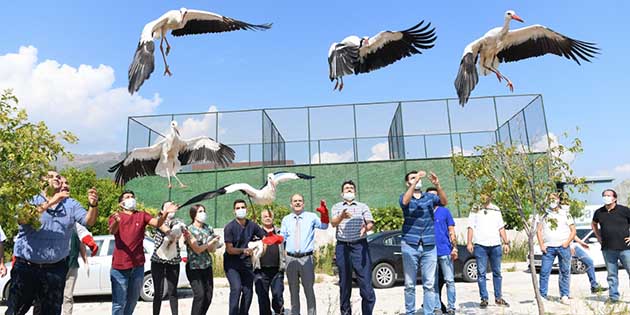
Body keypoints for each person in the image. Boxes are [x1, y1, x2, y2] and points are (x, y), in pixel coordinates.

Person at [7, 171, 99, 315]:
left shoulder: (71, 204)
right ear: (41, 182)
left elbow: (89, 221)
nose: (57, 178)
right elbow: (23, 219)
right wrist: (52, 201)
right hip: (26, 267)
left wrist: (93, 206)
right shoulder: (29, 200)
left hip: (55, 270)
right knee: (15, 311)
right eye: (51, 176)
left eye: (58, 176)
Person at [108, 190, 178, 315]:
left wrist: (165, 212)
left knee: (132, 300)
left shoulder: (142, 215)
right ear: (121, 203)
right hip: (120, 267)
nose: (131, 199)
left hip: (138, 266)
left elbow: (157, 223)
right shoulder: (116, 216)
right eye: (127, 197)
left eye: (132, 197)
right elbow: (112, 231)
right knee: (119, 303)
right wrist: (117, 222)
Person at [399, 170, 447, 315]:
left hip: (429, 245)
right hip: (410, 245)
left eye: (418, 177)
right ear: (408, 183)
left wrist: (437, 185)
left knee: (429, 284)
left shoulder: (429, 198)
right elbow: (404, 202)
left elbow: (444, 202)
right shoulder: (405, 196)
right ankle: (410, 312)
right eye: (412, 178)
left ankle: (429, 312)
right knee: (409, 284)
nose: (417, 179)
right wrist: (414, 182)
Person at [330, 180, 375, 315]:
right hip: (343, 247)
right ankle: (345, 312)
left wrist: (366, 228)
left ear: (354, 192)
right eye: (346, 188)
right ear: (342, 193)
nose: (349, 190)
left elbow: (370, 222)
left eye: (351, 188)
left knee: (366, 285)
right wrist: (342, 216)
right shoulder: (337, 207)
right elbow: (333, 223)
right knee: (344, 283)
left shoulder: (362, 206)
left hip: (359, 246)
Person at [280, 193, 329, 315]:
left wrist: (324, 215)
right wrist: (274, 238)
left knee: (309, 290)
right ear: (291, 204)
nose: (297, 203)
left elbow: (324, 226)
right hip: (290, 259)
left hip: (306, 259)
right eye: (295, 201)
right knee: (293, 291)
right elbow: (282, 236)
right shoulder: (286, 219)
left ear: (304, 203)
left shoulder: (311, 217)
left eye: (300, 201)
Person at [223, 199, 267, 315]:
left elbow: (264, 237)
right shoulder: (229, 227)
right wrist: (244, 250)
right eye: (238, 208)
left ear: (246, 209)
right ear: (234, 211)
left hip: (246, 264)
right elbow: (229, 249)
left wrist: (262, 247)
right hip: (232, 264)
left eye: (243, 207)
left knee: (248, 291)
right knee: (236, 288)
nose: (241, 210)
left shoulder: (252, 225)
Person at [466, 194, 510, 309]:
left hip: (495, 245)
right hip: (480, 245)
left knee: (497, 272)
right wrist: (469, 242)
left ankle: (498, 297)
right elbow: (470, 226)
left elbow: (501, 227)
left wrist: (506, 242)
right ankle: (484, 298)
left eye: (487, 195)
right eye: (482, 195)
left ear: (491, 196)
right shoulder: (475, 208)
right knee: (481, 273)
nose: (484, 197)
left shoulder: (495, 209)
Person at [591, 189, 630, 303]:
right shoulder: (599, 212)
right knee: (612, 275)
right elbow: (594, 224)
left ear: (615, 198)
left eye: (608, 195)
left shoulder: (624, 210)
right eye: (604, 195)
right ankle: (613, 297)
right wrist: (598, 236)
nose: (606, 197)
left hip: (625, 248)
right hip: (608, 249)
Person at [536, 193, 576, 304]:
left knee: (564, 271)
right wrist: (541, 245)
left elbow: (573, 231)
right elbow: (538, 230)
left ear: (558, 200)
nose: (552, 201)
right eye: (549, 199)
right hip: (548, 248)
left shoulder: (565, 214)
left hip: (563, 247)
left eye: (554, 199)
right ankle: (542, 295)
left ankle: (564, 295)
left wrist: (567, 243)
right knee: (544, 272)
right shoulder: (543, 214)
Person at [185, 204, 222, 315]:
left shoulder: (208, 228)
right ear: (193, 214)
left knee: (208, 296)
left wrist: (215, 243)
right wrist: (210, 242)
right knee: (199, 295)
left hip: (206, 265)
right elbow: (197, 249)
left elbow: (211, 250)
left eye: (203, 211)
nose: (203, 213)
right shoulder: (189, 230)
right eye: (200, 211)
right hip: (194, 267)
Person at [151, 201, 187, 315]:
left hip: (173, 261)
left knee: (173, 291)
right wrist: (173, 232)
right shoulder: (158, 220)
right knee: (158, 292)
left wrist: (182, 232)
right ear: (162, 210)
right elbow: (165, 229)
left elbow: (181, 233)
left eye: (172, 206)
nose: (171, 208)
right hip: (158, 260)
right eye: (168, 206)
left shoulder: (178, 221)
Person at [426, 187, 457, 315]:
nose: (433, 198)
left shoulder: (445, 211)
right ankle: (437, 307)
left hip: (445, 251)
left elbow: (451, 231)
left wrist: (454, 247)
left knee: (449, 280)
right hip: (429, 253)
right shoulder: (424, 212)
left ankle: (451, 307)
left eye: (435, 195)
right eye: (429, 195)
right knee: (433, 283)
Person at [253, 209, 286, 315]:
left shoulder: (280, 232)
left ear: (273, 217)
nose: (267, 218)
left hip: (277, 270)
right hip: (260, 270)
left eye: (269, 216)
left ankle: (279, 312)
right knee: (262, 298)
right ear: (261, 218)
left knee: (278, 296)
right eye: (265, 216)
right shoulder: (256, 233)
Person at [62, 223, 93, 315]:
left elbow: (81, 245)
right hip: (57, 266)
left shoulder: (77, 229)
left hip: (72, 265)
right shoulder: (58, 226)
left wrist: (86, 261)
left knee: (68, 295)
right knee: (54, 294)